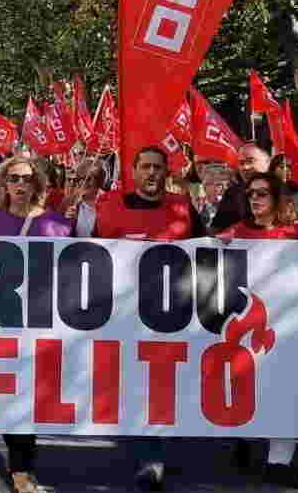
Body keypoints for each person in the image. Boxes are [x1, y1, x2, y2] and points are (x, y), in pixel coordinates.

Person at [93, 146, 204, 490]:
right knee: (136, 384)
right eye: (145, 167)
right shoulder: (111, 208)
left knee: (160, 384)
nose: (151, 173)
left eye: (157, 167)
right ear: (134, 170)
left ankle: (152, 455)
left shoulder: (183, 207)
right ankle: (146, 451)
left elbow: (209, 248)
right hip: (124, 314)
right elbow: (91, 255)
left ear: (166, 171)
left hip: (172, 314)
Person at [0, 156, 73, 493]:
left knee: (27, 394)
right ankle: (21, 470)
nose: (20, 184)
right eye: (13, 178)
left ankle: (21, 468)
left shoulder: (58, 224)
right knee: (9, 394)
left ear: (38, 185)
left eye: (27, 179)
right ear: (2, 184)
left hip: (40, 321)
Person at [217, 174, 298, 488]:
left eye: (262, 193)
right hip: (246, 326)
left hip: (288, 324)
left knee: (286, 390)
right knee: (248, 384)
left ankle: (279, 462)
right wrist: (218, 245)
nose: (255, 199)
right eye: (251, 194)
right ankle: (243, 438)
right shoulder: (236, 232)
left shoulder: (296, 234)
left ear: (277, 199)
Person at [210, 142, 272, 231]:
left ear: (268, 161)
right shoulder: (232, 194)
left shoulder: (289, 191)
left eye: (250, 161)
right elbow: (218, 230)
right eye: (241, 163)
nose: (245, 167)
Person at [64, 159, 107, 237]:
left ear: (99, 179)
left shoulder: (108, 201)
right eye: (78, 179)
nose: (82, 183)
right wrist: (66, 220)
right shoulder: (70, 201)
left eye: (87, 178)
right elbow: (58, 231)